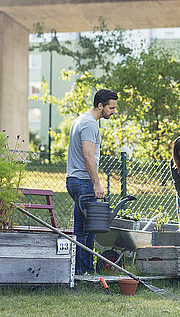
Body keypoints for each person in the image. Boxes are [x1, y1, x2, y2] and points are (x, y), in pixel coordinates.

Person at [66, 88, 118, 275]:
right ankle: (80, 271)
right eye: (111, 108)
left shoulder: (82, 120)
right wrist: (96, 183)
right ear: (100, 105)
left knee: (86, 229)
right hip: (83, 181)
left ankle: (85, 269)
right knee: (85, 230)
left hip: (75, 180)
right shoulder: (89, 124)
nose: (113, 112)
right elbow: (88, 157)